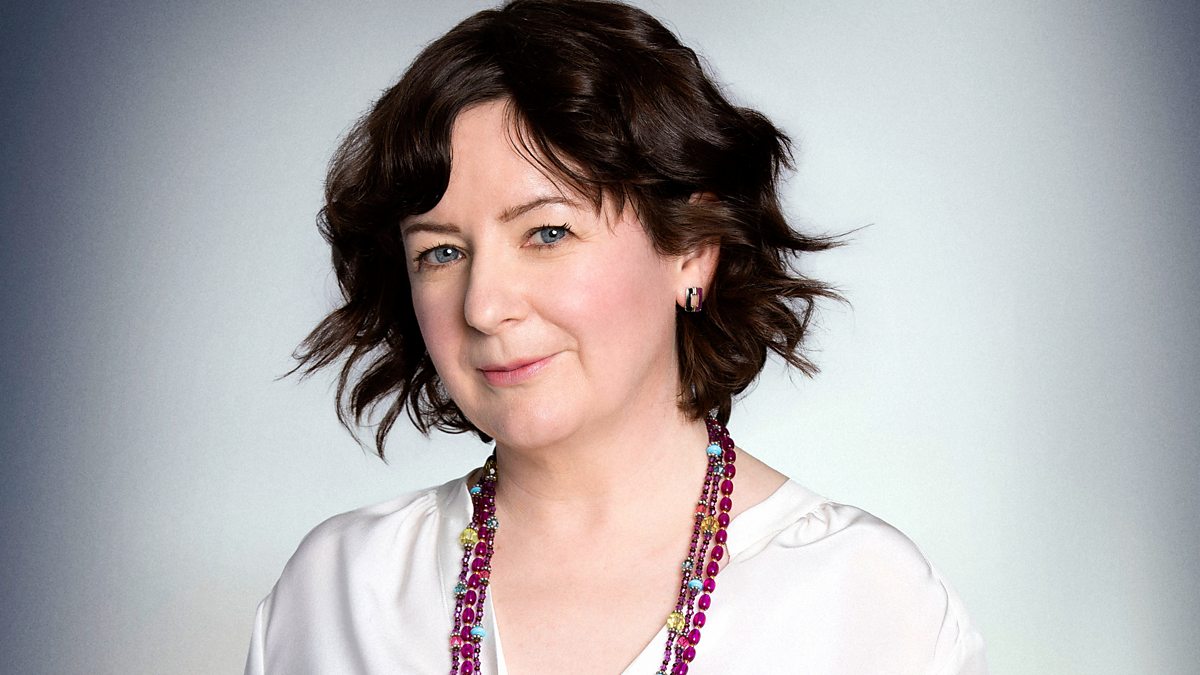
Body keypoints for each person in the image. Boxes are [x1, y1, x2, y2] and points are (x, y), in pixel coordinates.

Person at [244, 1, 988, 673]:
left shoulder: (868, 603)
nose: (484, 306)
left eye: (548, 232)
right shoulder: (339, 592)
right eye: (440, 252)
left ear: (691, 248)